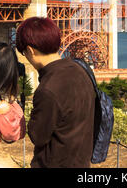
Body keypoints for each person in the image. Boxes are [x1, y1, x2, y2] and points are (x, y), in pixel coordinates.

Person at [16, 16, 96, 168]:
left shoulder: (48, 89)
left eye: (23, 53)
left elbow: (38, 136)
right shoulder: (82, 71)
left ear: (30, 50)